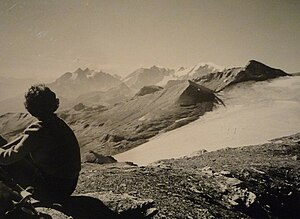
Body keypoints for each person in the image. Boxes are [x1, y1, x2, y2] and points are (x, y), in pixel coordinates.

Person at [0, 84, 81, 202]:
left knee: (6, 162)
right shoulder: (57, 122)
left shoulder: (38, 130)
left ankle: (12, 198)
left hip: (51, 189)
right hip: (68, 185)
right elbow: (21, 143)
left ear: (30, 107)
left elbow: (7, 159)